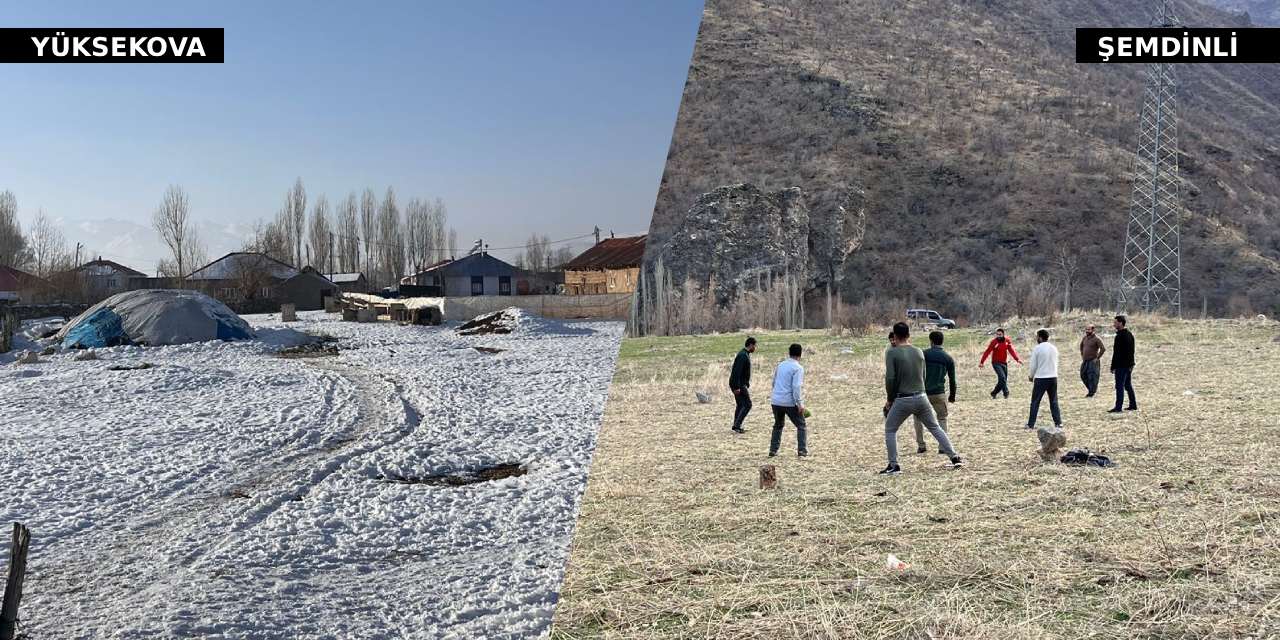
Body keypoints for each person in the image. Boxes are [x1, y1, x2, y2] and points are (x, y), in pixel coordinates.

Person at [880, 323, 963, 475]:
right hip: (922, 396)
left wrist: (890, 399)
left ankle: (894, 465)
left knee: (890, 429)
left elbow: (890, 378)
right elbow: (923, 375)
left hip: (903, 398)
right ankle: (954, 457)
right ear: (909, 335)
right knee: (935, 427)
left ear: (895, 336)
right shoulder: (918, 351)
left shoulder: (892, 353)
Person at [913, 330, 956, 454]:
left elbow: (915, 372)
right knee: (942, 418)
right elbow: (952, 379)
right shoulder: (948, 358)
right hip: (939, 393)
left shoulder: (923, 354)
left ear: (931, 341)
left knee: (918, 418)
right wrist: (952, 395)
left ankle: (921, 445)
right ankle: (942, 446)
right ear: (942, 341)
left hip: (922, 392)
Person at [768, 343, 807, 457]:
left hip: (776, 401)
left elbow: (774, 382)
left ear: (789, 353)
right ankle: (802, 450)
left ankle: (773, 450)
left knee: (778, 425)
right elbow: (796, 387)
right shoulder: (798, 368)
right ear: (800, 354)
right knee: (801, 425)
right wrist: (800, 404)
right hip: (789, 402)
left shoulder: (781, 365)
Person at [1026, 328, 1062, 430]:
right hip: (1053, 377)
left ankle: (1031, 424)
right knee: (1053, 401)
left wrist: (1031, 376)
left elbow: (1033, 365)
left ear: (1040, 338)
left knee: (1035, 402)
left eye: (1037, 337)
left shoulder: (1037, 348)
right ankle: (1058, 422)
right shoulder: (1054, 348)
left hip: (1041, 378)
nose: (1036, 338)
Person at [979, 328, 1022, 399]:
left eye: (1000, 334)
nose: (998, 336)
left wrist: (1017, 359)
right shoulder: (994, 342)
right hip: (996, 363)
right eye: (997, 334)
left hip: (1004, 363)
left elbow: (1011, 350)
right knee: (1002, 378)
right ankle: (1006, 393)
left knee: (1003, 380)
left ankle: (994, 393)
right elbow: (987, 351)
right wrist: (982, 362)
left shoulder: (1007, 340)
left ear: (1003, 334)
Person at [1108, 315, 1138, 413]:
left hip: (1121, 365)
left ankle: (1118, 407)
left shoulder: (1120, 336)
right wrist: (1131, 364)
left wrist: (1113, 366)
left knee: (1119, 386)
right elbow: (1132, 351)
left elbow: (1117, 353)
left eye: (1115, 322)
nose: (1114, 324)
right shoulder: (1129, 334)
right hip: (1128, 365)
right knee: (1127, 385)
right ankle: (1133, 405)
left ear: (1121, 323)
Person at [728, 337, 756, 433]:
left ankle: (736, 425)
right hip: (739, 384)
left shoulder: (744, 354)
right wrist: (736, 387)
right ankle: (737, 425)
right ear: (751, 345)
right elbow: (736, 372)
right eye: (755, 346)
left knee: (740, 404)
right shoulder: (743, 355)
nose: (755, 348)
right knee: (748, 404)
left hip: (739, 383)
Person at [1079, 324, 1106, 397]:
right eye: (1086, 329)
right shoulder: (1085, 338)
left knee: (1092, 377)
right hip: (1085, 360)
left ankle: (1091, 392)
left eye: (1089, 329)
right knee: (1083, 375)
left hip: (1093, 361)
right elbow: (1081, 346)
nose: (1087, 331)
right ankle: (1091, 389)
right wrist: (1082, 354)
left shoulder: (1097, 339)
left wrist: (1097, 358)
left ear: (1093, 330)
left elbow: (1103, 349)